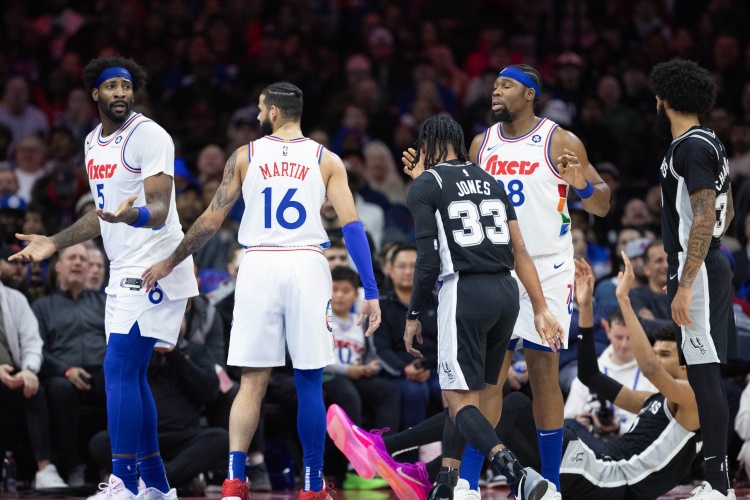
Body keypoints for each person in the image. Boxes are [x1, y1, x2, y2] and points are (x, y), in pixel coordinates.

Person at [141, 81, 382, 500]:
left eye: (258, 109)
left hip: (258, 265)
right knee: (310, 382)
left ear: (273, 111)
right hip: (307, 264)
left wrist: (171, 261)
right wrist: (371, 289)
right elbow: (352, 226)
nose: (256, 116)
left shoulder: (244, 156)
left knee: (252, 381)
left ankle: (235, 481)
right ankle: (312, 484)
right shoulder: (327, 159)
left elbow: (210, 221)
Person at [9, 56, 199, 500]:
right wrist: (54, 241)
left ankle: (124, 482)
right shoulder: (92, 142)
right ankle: (156, 486)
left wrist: (130, 215)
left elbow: (158, 210)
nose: (120, 93)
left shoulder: (149, 135)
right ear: (95, 93)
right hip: (123, 265)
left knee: (117, 369)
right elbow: (100, 216)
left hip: (155, 263)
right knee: (132, 375)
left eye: (126, 86)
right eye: (111, 86)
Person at [442, 63, 611, 497]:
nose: (495, 91)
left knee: (543, 374)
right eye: (494, 85)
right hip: (498, 266)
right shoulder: (481, 143)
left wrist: (582, 187)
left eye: (506, 85)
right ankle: (468, 483)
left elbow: (603, 204)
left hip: (549, 267)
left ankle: (551, 484)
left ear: (530, 93)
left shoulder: (560, 140)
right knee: (489, 379)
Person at [401, 115, 564, 500]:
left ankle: (517, 473)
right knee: (470, 399)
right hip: (507, 292)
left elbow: (427, 261)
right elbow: (520, 250)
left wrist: (413, 314)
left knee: (458, 400)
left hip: (465, 291)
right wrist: (540, 307)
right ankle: (447, 483)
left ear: (424, 147)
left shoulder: (426, 184)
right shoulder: (491, 180)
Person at [651, 58, 737, 499]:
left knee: (704, 378)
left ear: (663, 100)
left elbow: (705, 216)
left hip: (696, 269)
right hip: (706, 262)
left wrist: (686, 283)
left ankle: (717, 486)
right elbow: (728, 209)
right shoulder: (710, 141)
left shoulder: (690, 147)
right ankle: (716, 482)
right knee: (703, 375)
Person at [33, 243, 107, 486]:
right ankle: (74, 468)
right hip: (62, 373)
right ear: (58, 267)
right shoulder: (43, 306)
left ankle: (113, 467)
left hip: (101, 370)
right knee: (59, 389)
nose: (78, 263)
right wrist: (65, 370)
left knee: (119, 381)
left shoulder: (104, 303)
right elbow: (37, 349)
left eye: (83, 259)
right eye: (72, 258)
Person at [0, 273, 67, 489]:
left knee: (33, 389)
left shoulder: (15, 299)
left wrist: (29, 370)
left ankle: (44, 470)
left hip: (13, 374)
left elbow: (32, 341)